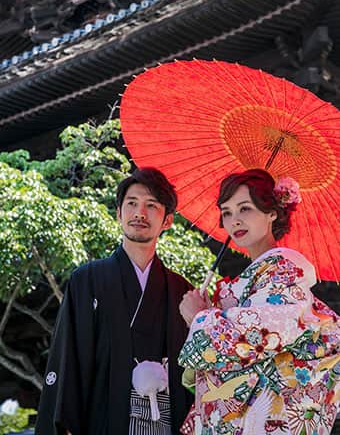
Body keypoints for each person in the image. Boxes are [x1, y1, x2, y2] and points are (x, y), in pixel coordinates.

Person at [178, 169, 339, 435]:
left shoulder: (285, 272)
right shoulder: (259, 274)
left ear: (272, 212)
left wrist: (200, 317)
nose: (234, 221)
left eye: (245, 209)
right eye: (227, 212)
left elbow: (256, 336)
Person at [35, 168, 194, 435]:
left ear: (167, 220)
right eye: (131, 203)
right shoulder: (87, 280)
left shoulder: (183, 292)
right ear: (118, 212)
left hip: (166, 422)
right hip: (104, 419)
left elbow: (194, 371)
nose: (139, 213)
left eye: (151, 205)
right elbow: (68, 357)